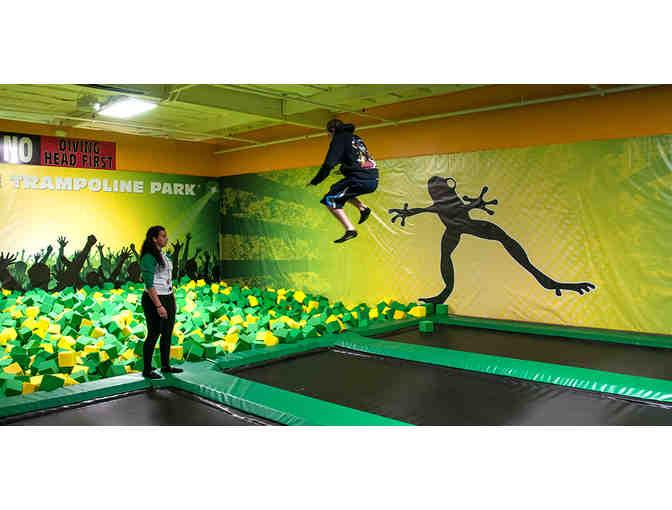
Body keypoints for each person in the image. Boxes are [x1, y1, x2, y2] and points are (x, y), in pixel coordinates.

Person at [308, 119, 379, 243]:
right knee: (338, 189)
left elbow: (329, 164)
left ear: (332, 131)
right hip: (372, 178)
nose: (329, 137)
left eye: (328, 135)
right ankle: (363, 208)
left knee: (330, 200)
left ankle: (350, 229)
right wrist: (343, 169)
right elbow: (358, 158)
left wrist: (316, 180)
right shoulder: (356, 138)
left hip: (360, 180)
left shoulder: (338, 139)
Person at [139, 225, 182, 379]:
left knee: (167, 332)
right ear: (154, 238)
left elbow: (167, 280)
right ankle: (147, 369)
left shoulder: (163, 255)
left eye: (165, 235)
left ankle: (165, 365)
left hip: (167, 297)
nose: (166, 238)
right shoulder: (148, 257)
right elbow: (149, 284)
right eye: (163, 236)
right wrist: (158, 305)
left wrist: (172, 300)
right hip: (153, 298)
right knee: (154, 332)